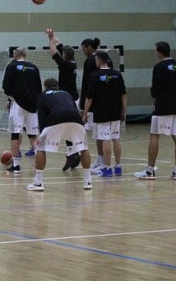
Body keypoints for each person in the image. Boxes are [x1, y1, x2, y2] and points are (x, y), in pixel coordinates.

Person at [28, 78, 93, 191]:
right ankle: (88, 181)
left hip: (56, 118)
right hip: (75, 119)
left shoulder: (42, 96)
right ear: (58, 86)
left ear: (45, 87)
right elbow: (74, 109)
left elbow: (42, 117)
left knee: (40, 148)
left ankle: (38, 183)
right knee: (83, 148)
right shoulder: (67, 94)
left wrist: (42, 135)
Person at [135, 41, 176, 180]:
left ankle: (150, 171)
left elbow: (155, 90)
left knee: (154, 136)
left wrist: (154, 98)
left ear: (159, 52)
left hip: (163, 107)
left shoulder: (159, 67)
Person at [82, 51, 127, 178]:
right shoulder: (117, 74)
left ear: (99, 60)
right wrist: (124, 111)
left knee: (105, 139)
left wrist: (85, 113)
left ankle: (107, 168)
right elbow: (124, 95)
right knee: (116, 138)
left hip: (102, 111)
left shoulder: (95, 75)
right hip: (115, 111)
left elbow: (89, 97)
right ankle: (118, 166)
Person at [2, 47, 42, 174]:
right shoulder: (34, 68)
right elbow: (39, 88)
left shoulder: (11, 67)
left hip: (17, 104)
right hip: (32, 105)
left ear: (15, 55)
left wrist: (12, 97)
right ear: (26, 55)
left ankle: (16, 165)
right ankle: (39, 162)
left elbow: (6, 86)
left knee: (15, 134)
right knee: (32, 135)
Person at [46, 28, 81, 171]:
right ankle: (72, 153)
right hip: (74, 98)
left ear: (64, 56)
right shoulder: (73, 61)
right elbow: (59, 45)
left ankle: (73, 153)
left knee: (66, 126)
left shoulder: (65, 65)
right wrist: (53, 35)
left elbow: (53, 52)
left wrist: (50, 39)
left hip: (67, 99)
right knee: (69, 127)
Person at [78, 37, 113, 170]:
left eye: (84, 49)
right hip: (109, 102)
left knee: (101, 134)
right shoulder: (108, 60)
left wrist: (83, 107)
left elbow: (87, 85)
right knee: (104, 134)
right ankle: (102, 160)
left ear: (89, 47)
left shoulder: (89, 61)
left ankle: (104, 163)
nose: (84, 52)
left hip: (96, 104)